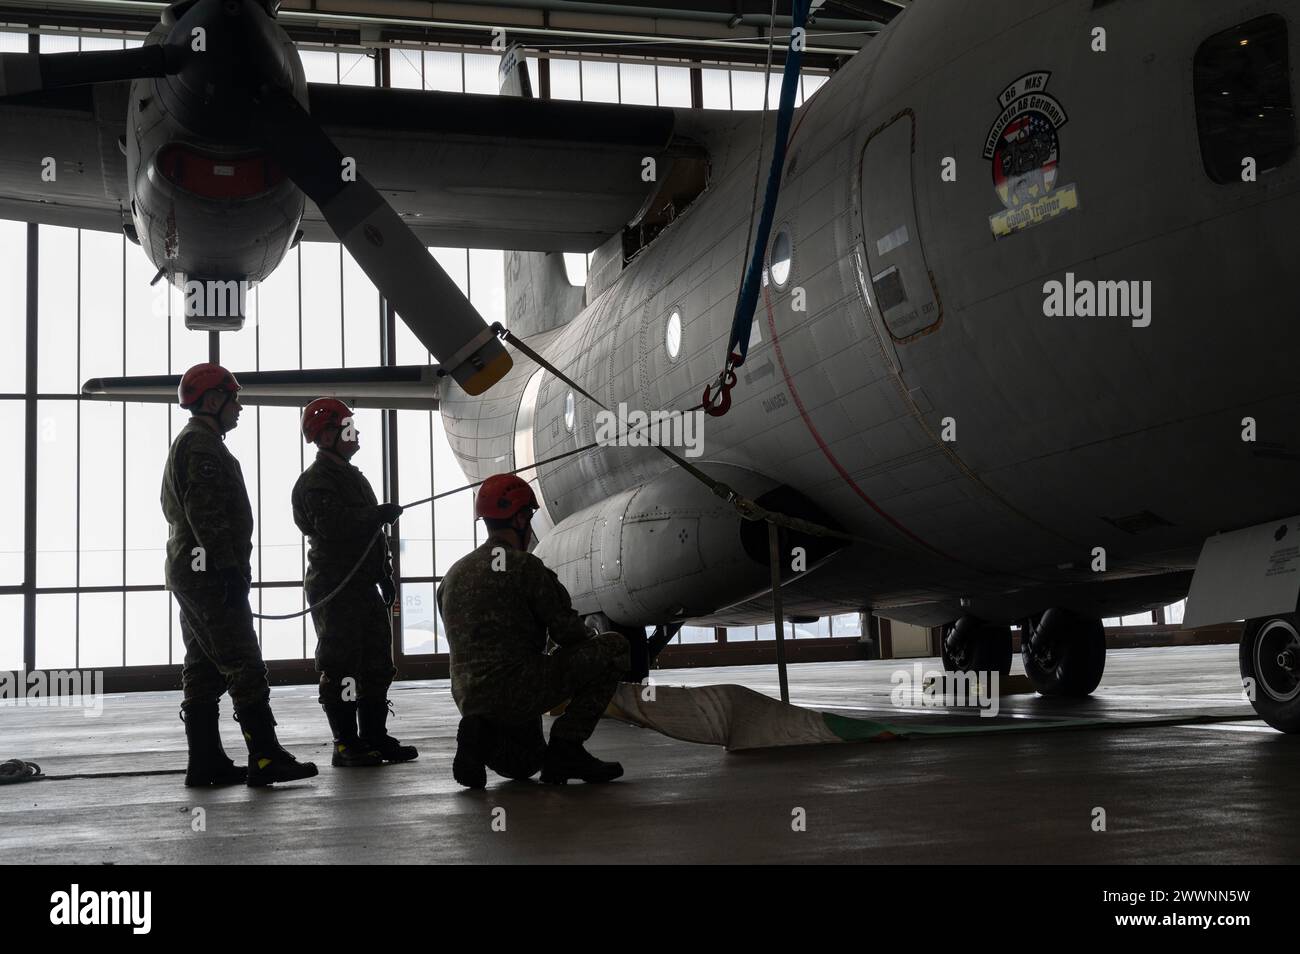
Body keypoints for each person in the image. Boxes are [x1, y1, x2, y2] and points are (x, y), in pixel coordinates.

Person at [162, 363, 317, 786]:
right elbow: (206, 513)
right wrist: (229, 568)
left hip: (192, 570)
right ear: (213, 401)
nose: (240, 407)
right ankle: (265, 757)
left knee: (203, 665)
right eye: (234, 398)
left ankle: (206, 761)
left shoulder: (198, 442)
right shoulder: (202, 447)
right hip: (209, 573)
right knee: (242, 661)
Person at [437, 473, 630, 787]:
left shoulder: (453, 574)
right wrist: (587, 641)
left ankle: (481, 733)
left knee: (524, 765)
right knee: (614, 648)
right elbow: (569, 634)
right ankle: (568, 747)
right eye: (529, 515)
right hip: (516, 690)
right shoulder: (525, 567)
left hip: (469, 696)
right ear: (520, 518)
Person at [292, 397, 417, 767]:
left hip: (362, 585)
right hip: (336, 586)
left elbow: (368, 538)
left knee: (377, 662)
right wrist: (377, 514)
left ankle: (374, 736)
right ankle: (346, 742)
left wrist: (385, 575)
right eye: (347, 427)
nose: (356, 432)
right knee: (342, 663)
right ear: (326, 435)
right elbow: (334, 527)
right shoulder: (316, 482)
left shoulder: (350, 476)